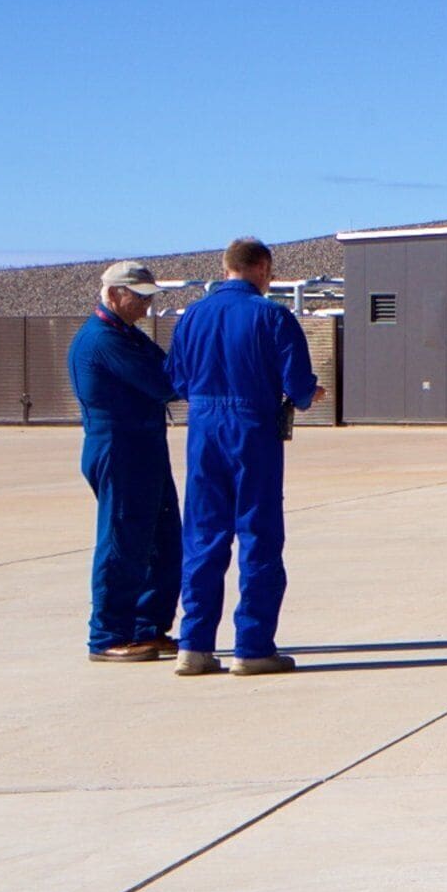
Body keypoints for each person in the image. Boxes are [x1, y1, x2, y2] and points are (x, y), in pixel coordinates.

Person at [165, 237, 319, 677]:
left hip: (204, 429)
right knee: (258, 533)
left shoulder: (192, 315)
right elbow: (300, 385)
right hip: (252, 430)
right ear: (264, 269)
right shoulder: (272, 315)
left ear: (225, 267)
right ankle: (251, 647)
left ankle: (194, 645)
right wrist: (308, 394)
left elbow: (175, 379)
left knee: (202, 535)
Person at [68, 262, 181, 661]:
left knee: (163, 541)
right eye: (140, 297)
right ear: (114, 294)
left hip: (145, 447)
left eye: (150, 297)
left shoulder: (127, 335)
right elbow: (165, 382)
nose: (147, 305)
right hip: (119, 449)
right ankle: (108, 635)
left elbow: (166, 365)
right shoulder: (102, 340)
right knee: (122, 541)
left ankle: (146, 626)